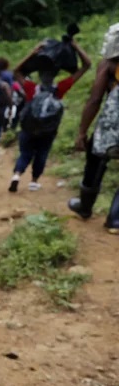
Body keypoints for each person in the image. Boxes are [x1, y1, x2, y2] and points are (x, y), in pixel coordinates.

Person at [9, 38, 92, 192]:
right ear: (55, 75)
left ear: (39, 75)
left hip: (28, 127)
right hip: (48, 129)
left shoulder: (32, 88)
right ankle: (34, 181)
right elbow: (87, 66)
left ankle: (17, 175)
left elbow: (16, 71)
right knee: (42, 152)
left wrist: (32, 52)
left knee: (25, 152)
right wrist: (75, 46)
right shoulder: (59, 89)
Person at [68, 22, 119, 232]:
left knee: (95, 160)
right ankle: (116, 220)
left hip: (111, 126)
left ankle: (85, 207)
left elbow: (95, 99)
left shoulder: (108, 65)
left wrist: (82, 132)